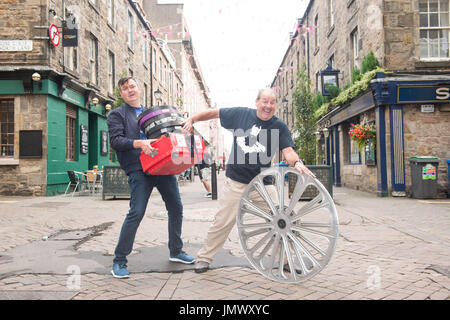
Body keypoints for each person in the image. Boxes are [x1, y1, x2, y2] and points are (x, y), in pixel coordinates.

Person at [182, 88, 316, 273]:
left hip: (263, 183)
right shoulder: (241, 115)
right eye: (265, 101)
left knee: (281, 219)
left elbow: (288, 151)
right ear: (257, 102)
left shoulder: (279, 126)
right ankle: (204, 258)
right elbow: (215, 112)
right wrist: (192, 119)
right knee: (222, 221)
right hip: (236, 181)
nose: (268, 106)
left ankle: (284, 260)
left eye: (272, 102)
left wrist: (298, 163)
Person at [107, 77, 195, 278]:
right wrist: (140, 143)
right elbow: (116, 141)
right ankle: (119, 261)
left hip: (162, 165)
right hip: (139, 168)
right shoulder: (116, 114)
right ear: (121, 93)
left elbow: (169, 133)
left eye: (132, 86)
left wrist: (184, 127)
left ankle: (176, 251)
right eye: (125, 88)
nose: (130, 90)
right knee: (136, 212)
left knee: (176, 208)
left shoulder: (151, 113)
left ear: (138, 89)